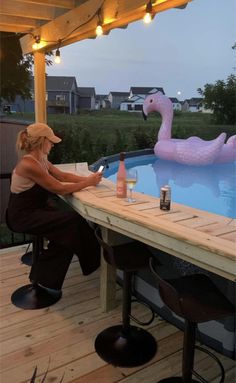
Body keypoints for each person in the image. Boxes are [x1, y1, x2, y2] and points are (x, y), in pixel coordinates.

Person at [7, 122, 103, 291]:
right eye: (50, 141)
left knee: (69, 232)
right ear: (41, 141)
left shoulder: (41, 159)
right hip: (22, 216)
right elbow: (59, 188)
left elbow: (63, 175)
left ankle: (44, 278)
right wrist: (88, 182)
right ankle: (95, 260)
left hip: (36, 210)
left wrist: (91, 180)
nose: (52, 145)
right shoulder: (29, 164)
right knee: (72, 221)